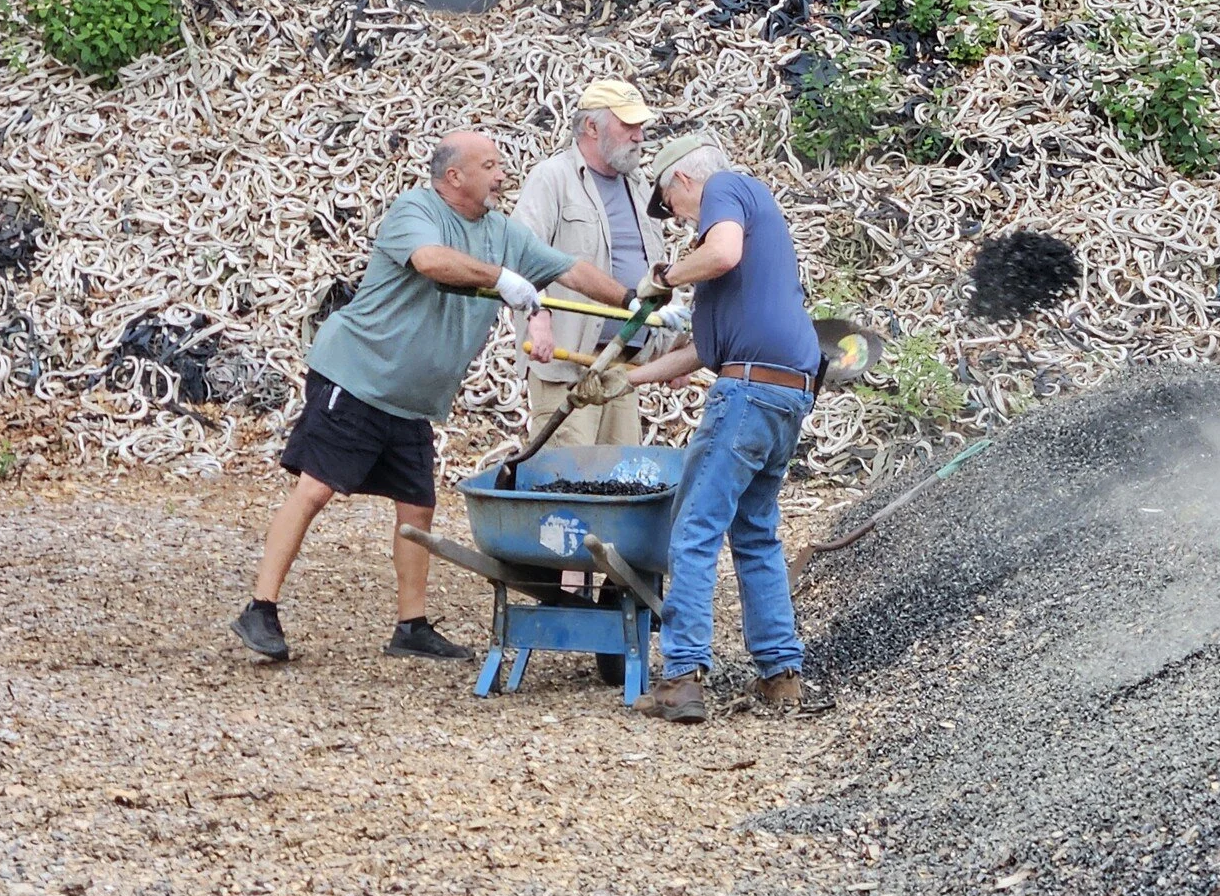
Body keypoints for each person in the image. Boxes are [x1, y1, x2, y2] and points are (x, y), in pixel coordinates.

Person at [231, 131, 656, 664]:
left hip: (411, 397)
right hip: (359, 376)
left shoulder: (502, 231)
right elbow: (432, 261)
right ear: (454, 176)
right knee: (315, 489)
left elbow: (570, 268)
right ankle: (261, 607)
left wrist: (636, 301)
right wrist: (502, 279)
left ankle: (410, 627)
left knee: (418, 507)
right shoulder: (416, 210)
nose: (502, 175)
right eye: (490, 166)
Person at [621, 135, 821, 723]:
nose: (683, 219)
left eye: (672, 205)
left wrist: (666, 276)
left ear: (683, 181)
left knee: (693, 529)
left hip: (749, 392)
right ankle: (780, 675)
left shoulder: (727, 189)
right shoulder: (748, 240)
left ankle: (682, 677)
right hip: (786, 391)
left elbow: (723, 252)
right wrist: (628, 380)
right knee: (755, 533)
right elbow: (704, 352)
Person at [512, 79, 687, 448]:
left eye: (640, 126)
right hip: (568, 363)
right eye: (628, 126)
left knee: (618, 472)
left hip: (624, 366)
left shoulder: (638, 186)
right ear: (592, 127)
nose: (639, 136)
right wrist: (537, 319)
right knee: (566, 470)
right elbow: (520, 254)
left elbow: (652, 270)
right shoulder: (553, 178)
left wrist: (673, 350)